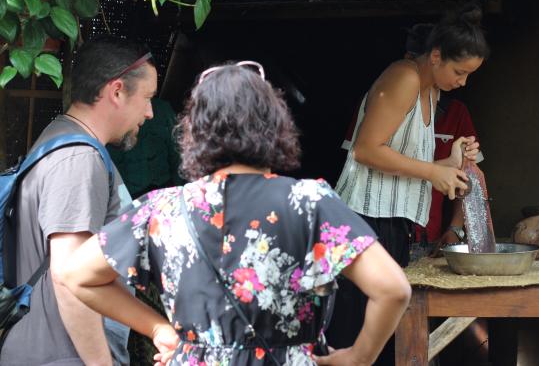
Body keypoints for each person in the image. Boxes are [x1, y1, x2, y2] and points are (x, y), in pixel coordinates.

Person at [60, 61, 412, 365]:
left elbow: (76, 275)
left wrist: (159, 329)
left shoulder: (160, 209)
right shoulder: (310, 202)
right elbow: (393, 289)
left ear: (194, 131)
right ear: (274, 125)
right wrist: (359, 357)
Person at [329, 5, 490, 364]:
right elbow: (367, 150)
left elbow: (402, 160)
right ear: (435, 56)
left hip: (391, 225)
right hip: (362, 222)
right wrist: (434, 173)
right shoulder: (404, 77)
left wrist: (450, 163)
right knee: (352, 338)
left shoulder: (430, 92)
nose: (463, 82)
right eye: (459, 71)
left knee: (383, 342)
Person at [0, 37, 157, 365]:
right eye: (147, 98)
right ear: (116, 91)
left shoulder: (59, 137)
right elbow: (69, 275)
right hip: (61, 355)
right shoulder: (79, 160)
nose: (150, 112)